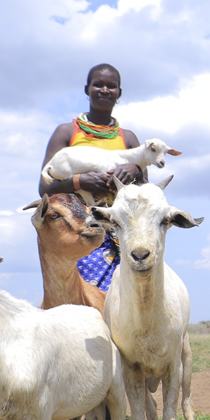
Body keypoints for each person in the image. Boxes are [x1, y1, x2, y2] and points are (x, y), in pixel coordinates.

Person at [38, 63, 146, 291]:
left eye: (111, 86)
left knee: (128, 306)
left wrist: (135, 171)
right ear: (87, 89)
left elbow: (147, 192)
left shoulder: (129, 139)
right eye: (98, 85)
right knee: (81, 309)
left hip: (121, 233)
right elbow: (44, 188)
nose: (105, 90)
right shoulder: (67, 133)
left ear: (119, 93)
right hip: (79, 233)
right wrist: (80, 181)